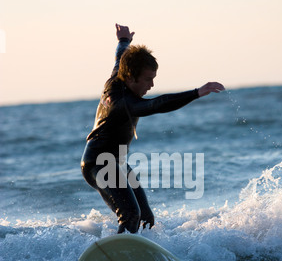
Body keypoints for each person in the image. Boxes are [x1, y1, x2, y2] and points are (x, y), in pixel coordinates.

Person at [81, 23, 225, 234]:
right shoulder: (124, 103)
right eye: (148, 79)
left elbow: (120, 57)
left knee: (146, 219)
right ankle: (115, 259)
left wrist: (123, 41)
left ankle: (140, 253)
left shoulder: (118, 75)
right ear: (130, 78)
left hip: (118, 162)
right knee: (130, 215)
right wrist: (196, 93)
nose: (151, 85)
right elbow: (156, 104)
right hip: (99, 163)